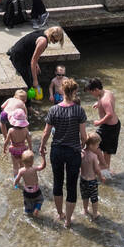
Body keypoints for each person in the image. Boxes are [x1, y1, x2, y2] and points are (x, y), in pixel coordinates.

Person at [39, 77, 87, 229]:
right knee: (72, 186)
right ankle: (68, 221)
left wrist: (42, 146)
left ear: (62, 91)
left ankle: (60, 214)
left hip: (57, 150)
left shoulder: (53, 110)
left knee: (58, 183)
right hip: (73, 151)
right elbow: (84, 136)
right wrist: (83, 146)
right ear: (74, 92)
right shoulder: (79, 110)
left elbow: (46, 132)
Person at [7, 24, 64, 91]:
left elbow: (32, 50)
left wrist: (36, 64)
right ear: (52, 36)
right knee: (29, 84)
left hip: (20, 50)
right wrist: (35, 81)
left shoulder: (44, 32)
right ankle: (28, 100)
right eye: (56, 41)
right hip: (18, 57)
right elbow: (33, 61)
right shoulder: (43, 42)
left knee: (32, 73)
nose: (54, 43)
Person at [88, 78, 120, 171]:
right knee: (94, 143)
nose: (91, 94)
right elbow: (108, 102)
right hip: (109, 126)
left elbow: (109, 114)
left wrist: (99, 122)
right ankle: (104, 165)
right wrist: (98, 103)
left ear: (96, 90)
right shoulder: (107, 92)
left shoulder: (105, 99)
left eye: (91, 92)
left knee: (105, 149)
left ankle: (105, 167)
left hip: (111, 127)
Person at [13, 149, 47, 217]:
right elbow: (43, 166)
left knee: (28, 204)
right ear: (32, 162)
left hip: (27, 192)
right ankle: (37, 209)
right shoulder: (34, 169)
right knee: (40, 199)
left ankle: (28, 213)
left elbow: (17, 179)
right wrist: (43, 157)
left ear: (22, 161)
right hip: (36, 190)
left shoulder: (21, 171)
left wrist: (15, 183)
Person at [80, 133, 105, 220]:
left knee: (85, 196)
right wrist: (101, 177)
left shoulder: (81, 154)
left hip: (82, 180)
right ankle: (95, 214)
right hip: (92, 181)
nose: (98, 147)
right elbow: (97, 169)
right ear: (91, 145)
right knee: (94, 198)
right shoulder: (94, 156)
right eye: (97, 145)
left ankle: (85, 210)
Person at [3, 107, 33, 178]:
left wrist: (4, 148)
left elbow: (6, 141)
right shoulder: (25, 130)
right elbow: (29, 140)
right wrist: (30, 149)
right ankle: (24, 178)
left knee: (15, 166)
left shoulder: (11, 130)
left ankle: (16, 182)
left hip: (14, 150)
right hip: (23, 150)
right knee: (22, 165)